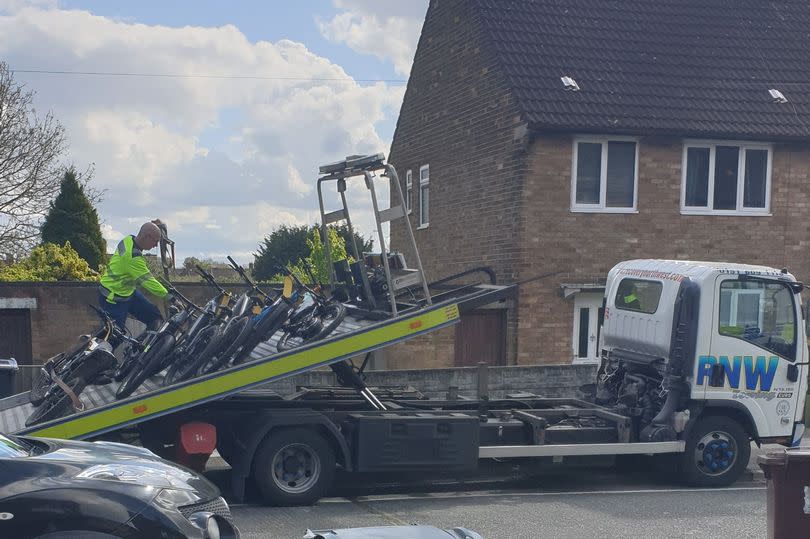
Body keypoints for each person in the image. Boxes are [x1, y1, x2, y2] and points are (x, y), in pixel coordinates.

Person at [99, 220, 170, 331]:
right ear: (147, 237)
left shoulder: (128, 239)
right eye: (155, 241)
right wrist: (170, 297)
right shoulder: (132, 257)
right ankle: (92, 347)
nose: (155, 245)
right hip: (113, 297)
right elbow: (148, 281)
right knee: (113, 335)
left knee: (154, 317)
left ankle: (144, 348)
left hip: (127, 292)